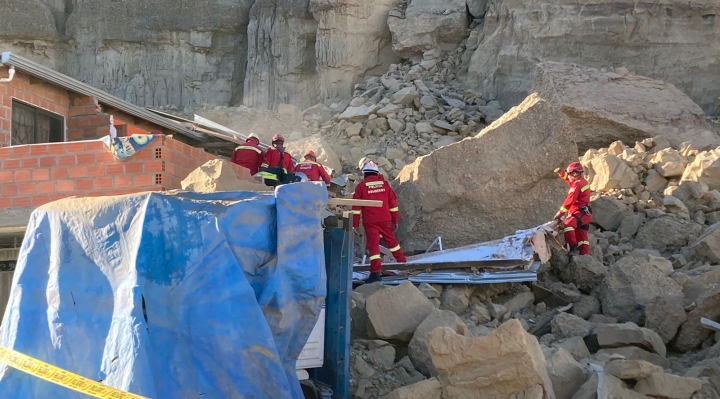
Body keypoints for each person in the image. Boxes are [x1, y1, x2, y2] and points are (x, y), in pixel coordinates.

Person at [352, 161, 407, 283]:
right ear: (377, 173)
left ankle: (375, 273)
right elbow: (393, 204)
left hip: (370, 221)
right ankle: (403, 263)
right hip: (385, 219)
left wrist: (355, 224)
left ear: (364, 173)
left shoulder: (361, 186)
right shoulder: (385, 185)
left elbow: (356, 208)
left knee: (374, 246)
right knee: (392, 241)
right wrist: (395, 219)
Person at [554, 162, 593, 256]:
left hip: (580, 212)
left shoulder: (576, 185)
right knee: (582, 237)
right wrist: (561, 173)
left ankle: (573, 248)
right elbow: (568, 179)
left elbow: (570, 200)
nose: (571, 175)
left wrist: (560, 212)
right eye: (570, 173)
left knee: (568, 225)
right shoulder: (582, 181)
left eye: (572, 173)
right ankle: (585, 256)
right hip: (585, 213)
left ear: (577, 173)